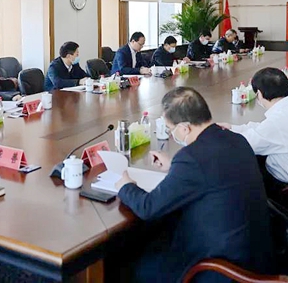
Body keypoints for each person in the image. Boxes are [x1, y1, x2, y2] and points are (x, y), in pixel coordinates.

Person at [115, 87, 273, 282]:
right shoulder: (236, 139)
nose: (172, 134)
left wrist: (125, 186)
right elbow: (214, 170)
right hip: (255, 253)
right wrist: (175, 167)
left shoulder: (191, 158)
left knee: (132, 266)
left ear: (184, 128)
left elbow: (148, 207)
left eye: (171, 129)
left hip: (221, 268)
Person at [220, 68, 288, 196]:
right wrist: (232, 128)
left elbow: (245, 144)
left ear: (259, 94)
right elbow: (262, 130)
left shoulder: (277, 121)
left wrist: (221, 135)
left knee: (245, 168)